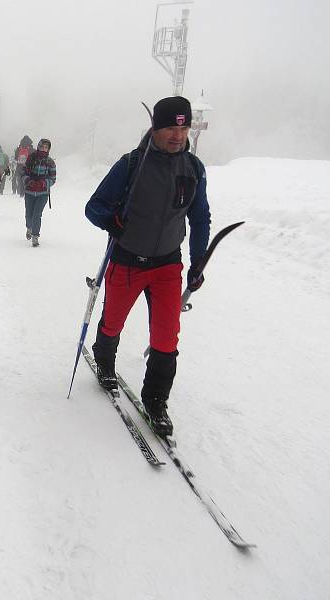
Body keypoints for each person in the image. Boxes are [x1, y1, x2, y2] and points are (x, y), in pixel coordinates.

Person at [84, 96, 211, 437]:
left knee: (167, 337)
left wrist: (198, 259)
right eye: (171, 126)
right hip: (128, 261)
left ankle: (156, 400)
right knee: (112, 323)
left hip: (168, 265)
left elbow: (200, 218)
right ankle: (104, 360)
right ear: (155, 127)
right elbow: (93, 207)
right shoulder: (131, 164)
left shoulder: (194, 170)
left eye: (183, 127)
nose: (177, 135)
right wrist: (112, 220)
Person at [22, 138, 56, 247]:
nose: (44, 149)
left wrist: (44, 183)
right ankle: (29, 228)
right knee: (29, 215)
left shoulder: (50, 162)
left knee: (37, 214)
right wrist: (29, 181)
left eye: (46, 147)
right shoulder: (31, 158)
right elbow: (23, 173)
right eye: (42, 147)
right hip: (29, 192)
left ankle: (35, 236)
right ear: (38, 146)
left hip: (43, 194)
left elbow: (53, 178)